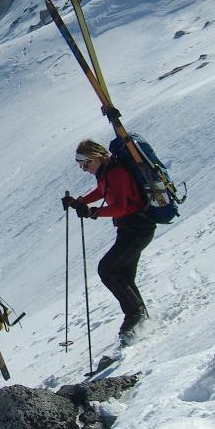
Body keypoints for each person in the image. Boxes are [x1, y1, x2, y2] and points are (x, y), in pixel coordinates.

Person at [63, 138, 155, 345]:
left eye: (86, 165)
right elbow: (102, 191)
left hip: (138, 229)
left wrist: (92, 212)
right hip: (130, 229)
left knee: (107, 269)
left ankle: (134, 315)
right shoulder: (106, 172)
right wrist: (79, 202)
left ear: (95, 158)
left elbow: (121, 207)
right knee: (124, 275)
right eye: (82, 167)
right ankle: (141, 320)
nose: (85, 169)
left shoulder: (116, 172)